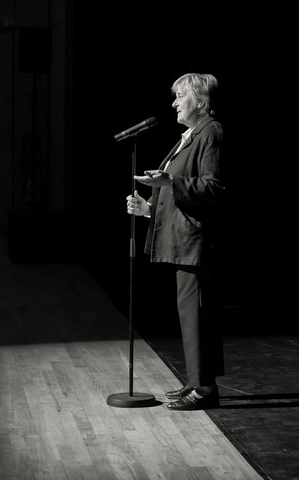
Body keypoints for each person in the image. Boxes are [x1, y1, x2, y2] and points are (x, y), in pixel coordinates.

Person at [126, 72, 226, 410]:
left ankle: (205, 388)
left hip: (194, 242)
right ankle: (197, 380)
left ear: (200, 101)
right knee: (190, 313)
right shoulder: (191, 135)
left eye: (180, 96)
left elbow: (213, 188)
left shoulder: (210, 132)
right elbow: (179, 189)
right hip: (182, 239)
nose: (174, 103)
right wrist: (148, 209)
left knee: (196, 313)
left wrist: (170, 180)